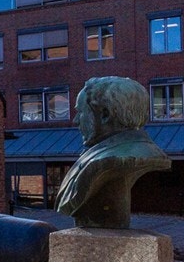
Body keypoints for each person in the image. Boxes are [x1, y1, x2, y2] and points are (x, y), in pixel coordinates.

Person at [55, 76, 170, 230]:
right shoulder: (103, 154)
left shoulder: (107, 160)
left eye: (80, 112)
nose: (75, 120)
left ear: (105, 115)